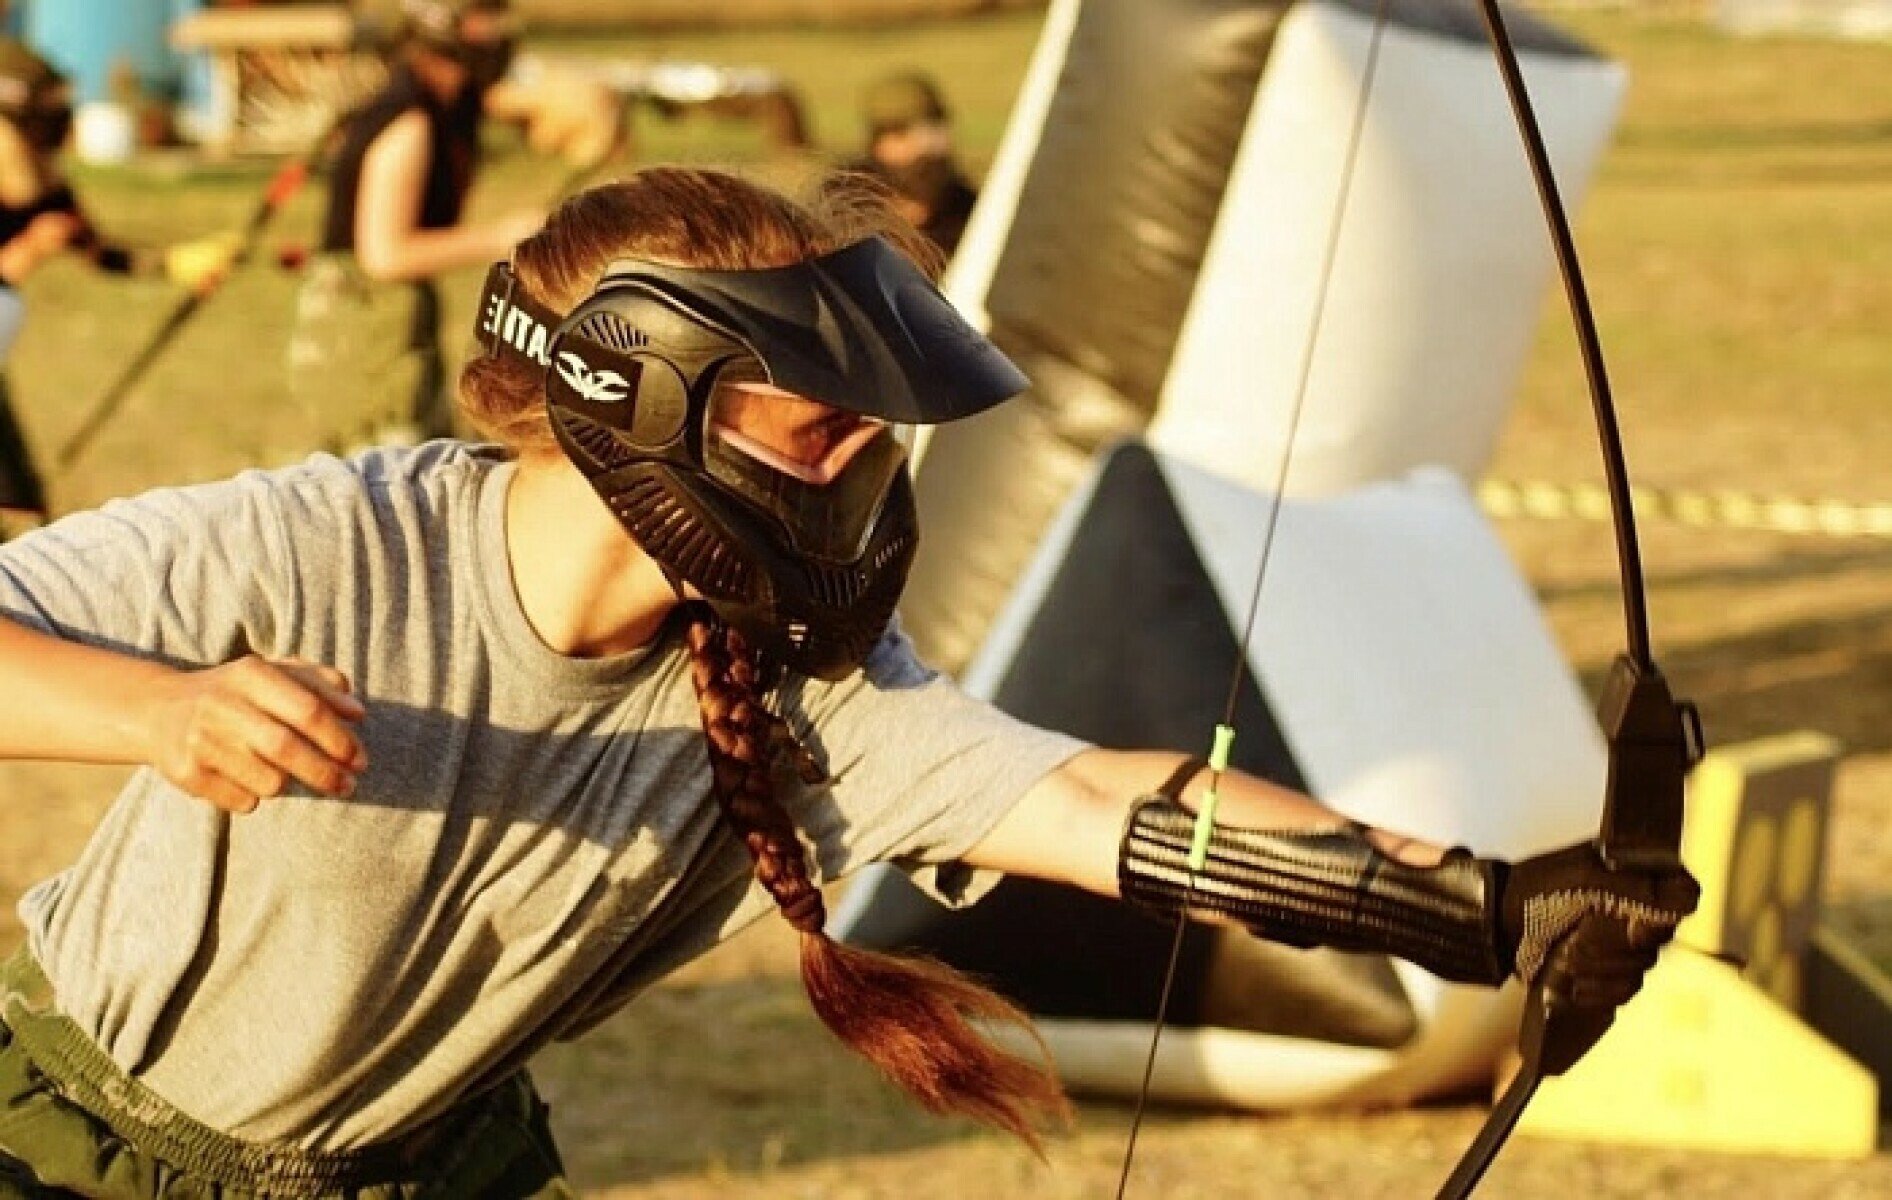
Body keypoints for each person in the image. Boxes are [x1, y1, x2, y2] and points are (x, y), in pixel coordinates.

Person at [0, 166, 1697, 1197]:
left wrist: (1481, 909)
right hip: (73, 1145)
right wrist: (159, 712)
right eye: (818, 427)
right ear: (644, 393)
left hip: (423, 1169)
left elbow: (1092, 800)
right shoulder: (330, 543)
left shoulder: (799, 685)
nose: (862, 472)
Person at [0, 38, 237, 533]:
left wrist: (177, 263)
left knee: (19, 505)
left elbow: (101, 252)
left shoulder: (43, 181)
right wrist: (23, 256)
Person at [288, 0, 546, 453]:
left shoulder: (450, 104)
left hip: (390, 322)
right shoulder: (408, 123)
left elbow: (539, 109)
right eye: (485, 18)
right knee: (398, 474)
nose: (500, 31)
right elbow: (385, 255)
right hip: (364, 327)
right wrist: (502, 238)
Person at [845, 70, 979, 256]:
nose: (928, 147)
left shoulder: (967, 212)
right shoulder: (845, 209)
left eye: (935, 131)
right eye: (904, 136)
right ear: (880, 143)